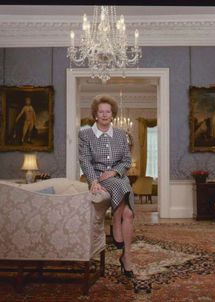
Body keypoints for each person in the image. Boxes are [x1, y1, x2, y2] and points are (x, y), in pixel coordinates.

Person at [79, 94, 134, 278]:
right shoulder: (85, 134)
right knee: (121, 193)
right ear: (95, 114)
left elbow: (126, 160)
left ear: (112, 114)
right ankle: (116, 227)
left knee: (129, 213)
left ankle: (126, 256)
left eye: (107, 111)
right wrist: (93, 180)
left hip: (119, 177)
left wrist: (116, 171)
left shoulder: (120, 134)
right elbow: (85, 160)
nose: (104, 115)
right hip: (100, 178)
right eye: (100, 111)